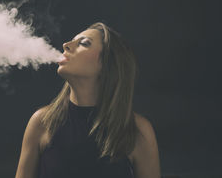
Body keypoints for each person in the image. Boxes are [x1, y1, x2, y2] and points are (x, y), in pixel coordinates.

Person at [15, 22, 161, 178]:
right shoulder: (42, 122)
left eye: (84, 43)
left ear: (106, 65)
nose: (66, 45)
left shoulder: (137, 130)